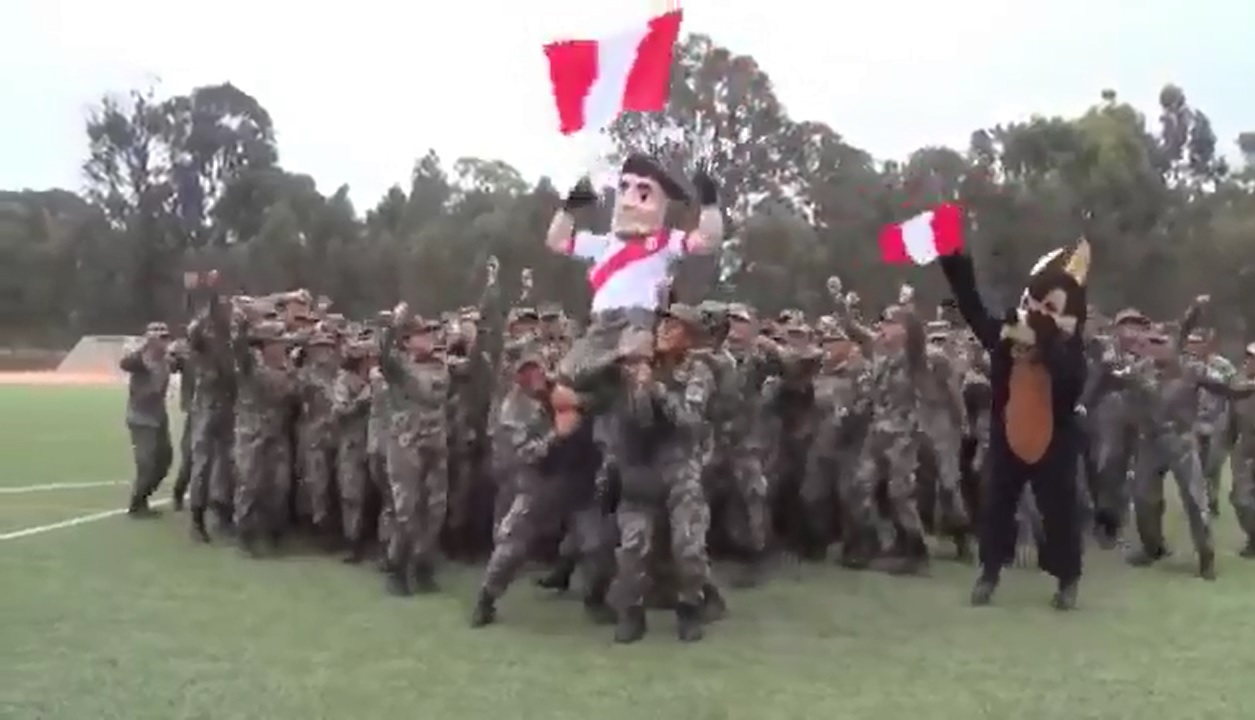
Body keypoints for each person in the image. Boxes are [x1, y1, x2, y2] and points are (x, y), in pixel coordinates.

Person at [120, 321, 176, 517]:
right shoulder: (140, 360)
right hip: (141, 419)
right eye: (158, 336)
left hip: (159, 417)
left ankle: (144, 495)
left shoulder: (167, 360)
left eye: (165, 336)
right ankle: (137, 504)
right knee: (146, 463)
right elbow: (125, 363)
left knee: (164, 461)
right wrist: (145, 346)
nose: (163, 340)